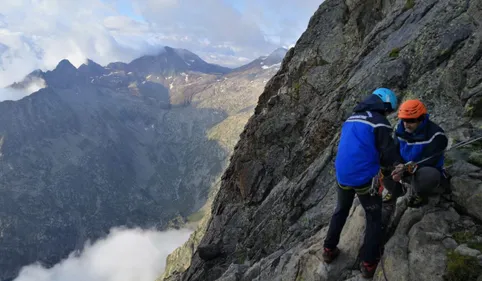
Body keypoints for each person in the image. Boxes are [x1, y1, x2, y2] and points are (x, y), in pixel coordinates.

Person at [322, 88, 403, 278]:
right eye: (389, 109)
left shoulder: (352, 118)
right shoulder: (380, 123)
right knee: (374, 217)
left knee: (341, 210)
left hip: (342, 174)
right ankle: (368, 262)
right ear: (385, 104)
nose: (388, 113)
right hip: (363, 178)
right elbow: (388, 152)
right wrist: (398, 166)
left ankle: (328, 249)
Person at [383, 99, 449, 207]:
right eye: (404, 120)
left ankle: (420, 193)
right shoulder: (399, 129)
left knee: (429, 176)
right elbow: (394, 149)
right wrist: (397, 164)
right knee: (383, 162)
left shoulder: (436, 135)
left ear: (421, 119)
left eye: (411, 121)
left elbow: (430, 160)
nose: (406, 124)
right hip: (403, 167)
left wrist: (405, 168)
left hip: (421, 169)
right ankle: (396, 190)